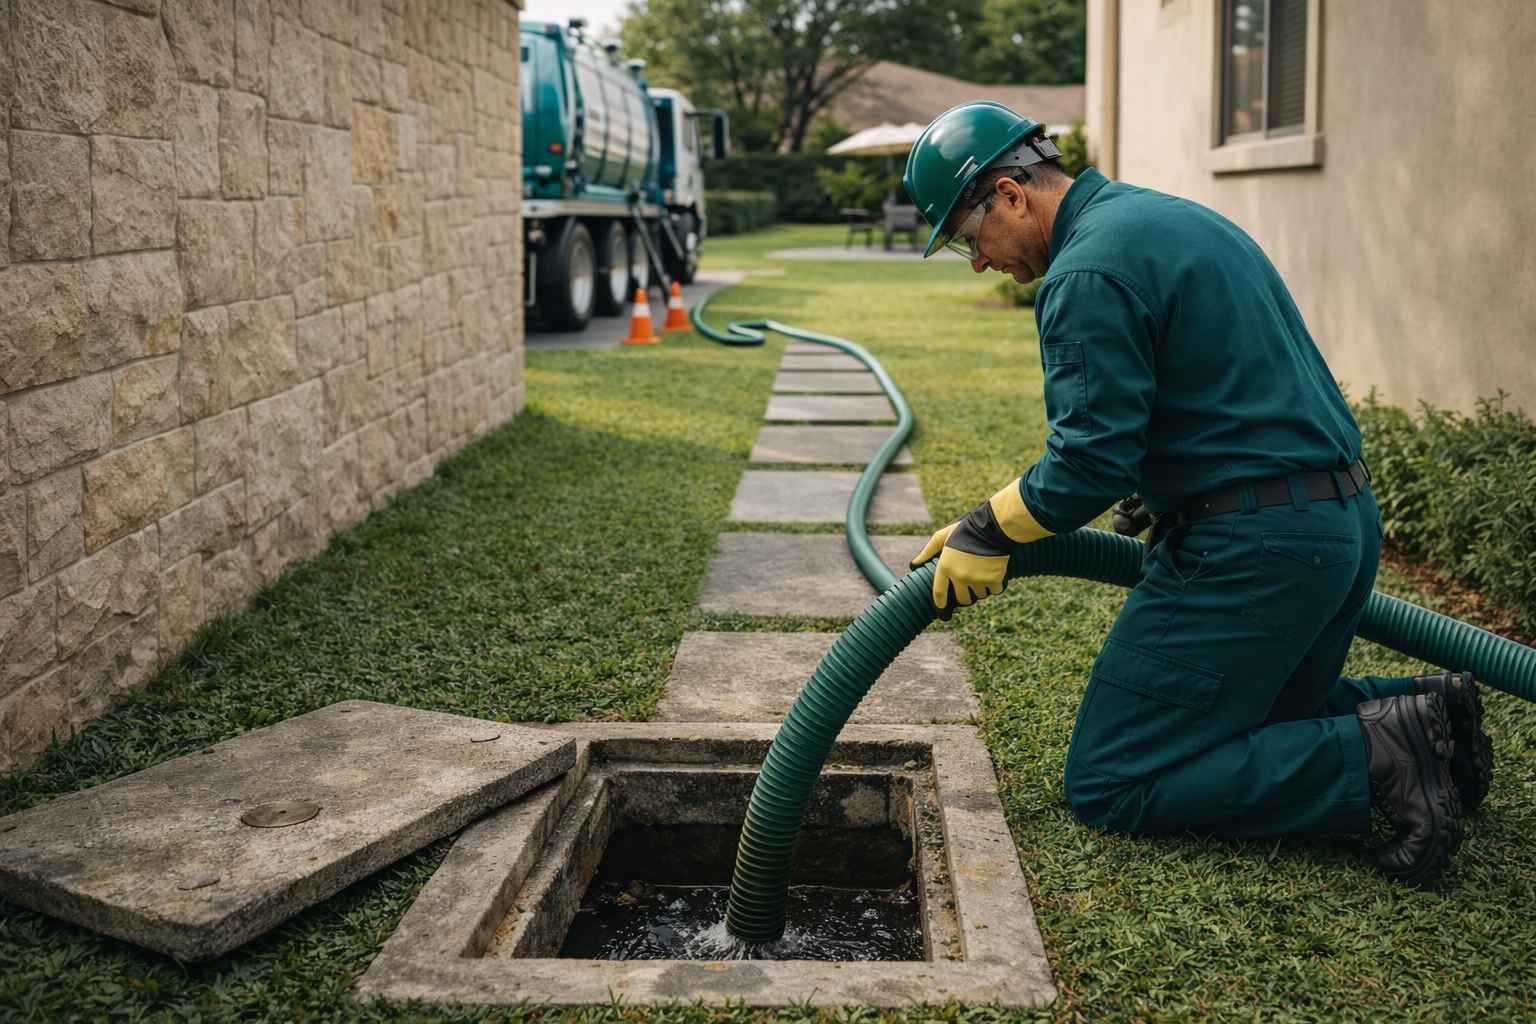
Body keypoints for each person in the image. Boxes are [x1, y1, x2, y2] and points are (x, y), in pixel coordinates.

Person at [903, 101, 1493, 886]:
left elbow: (1088, 462)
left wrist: (988, 529)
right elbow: (1218, 372)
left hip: (1256, 547)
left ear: (1011, 194)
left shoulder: (1084, 273)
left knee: (1114, 779)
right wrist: (1165, 483)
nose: (979, 260)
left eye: (971, 238)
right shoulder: (1165, 217)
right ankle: (1433, 716)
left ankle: (1381, 751)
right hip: (1338, 524)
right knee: (1259, 723)